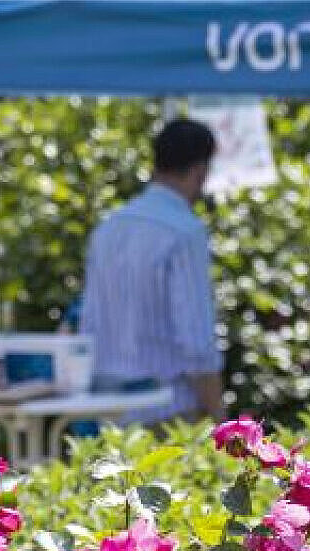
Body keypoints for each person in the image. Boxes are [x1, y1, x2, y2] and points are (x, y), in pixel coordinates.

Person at [81, 118, 224, 424]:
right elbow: (197, 346)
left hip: (106, 415)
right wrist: (221, 420)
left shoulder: (109, 228)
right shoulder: (185, 232)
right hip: (168, 414)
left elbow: (88, 325)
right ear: (200, 171)